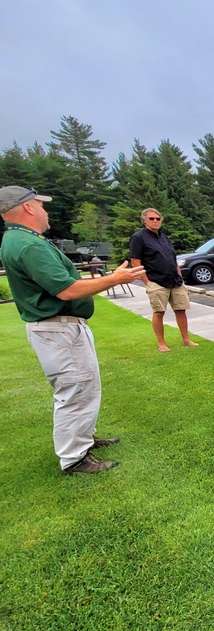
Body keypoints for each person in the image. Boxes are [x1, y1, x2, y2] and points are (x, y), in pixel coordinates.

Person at [0, 186, 146, 474]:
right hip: (58, 330)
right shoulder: (27, 244)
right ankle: (74, 459)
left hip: (60, 329)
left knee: (85, 387)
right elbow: (66, 290)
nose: (45, 211)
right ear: (27, 207)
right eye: (41, 205)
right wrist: (115, 279)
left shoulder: (22, 240)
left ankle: (83, 439)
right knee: (75, 389)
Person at [129, 208, 198, 352]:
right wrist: (146, 282)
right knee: (159, 312)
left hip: (175, 280)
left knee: (181, 310)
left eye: (157, 219)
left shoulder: (163, 237)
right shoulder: (138, 237)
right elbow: (135, 261)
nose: (155, 221)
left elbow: (172, 257)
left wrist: (179, 275)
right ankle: (162, 344)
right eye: (152, 219)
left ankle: (186, 339)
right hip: (156, 280)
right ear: (144, 220)